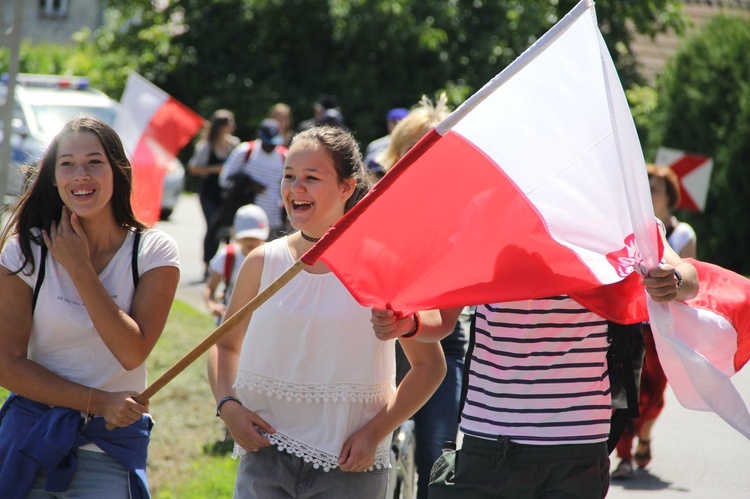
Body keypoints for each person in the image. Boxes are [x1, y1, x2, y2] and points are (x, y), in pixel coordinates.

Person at [207, 125, 446, 498]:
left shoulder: (379, 266)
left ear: (347, 187)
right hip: (265, 458)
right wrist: (228, 407)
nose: (294, 188)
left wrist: (374, 433)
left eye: (311, 178)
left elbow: (430, 367)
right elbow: (224, 346)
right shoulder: (262, 262)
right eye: (289, 176)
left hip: (351, 467)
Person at [371, 233, 698, 498]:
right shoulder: (485, 215)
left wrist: (674, 280)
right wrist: (409, 322)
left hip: (575, 446)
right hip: (488, 442)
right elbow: (443, 318)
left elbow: (687, 275)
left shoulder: (609, 207)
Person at [0, 116, 180, 498]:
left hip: (110, 447)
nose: (81, 175)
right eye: (67, 164)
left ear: (118, 171)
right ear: (53, 177)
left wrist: (80, 268)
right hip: (30, 437)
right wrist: (100, 402)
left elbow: (131, 353)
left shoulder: (154, 251)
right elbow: (6, 363)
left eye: (95, 162)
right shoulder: (24, 250)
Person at [370, 95, 467, 499]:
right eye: (412, 149)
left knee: (437, 454)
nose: (419, 160)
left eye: (431, 150)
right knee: (367, 448)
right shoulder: (370, 209)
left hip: (441, 343)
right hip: (380, 343)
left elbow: (445, 319)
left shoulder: (461, 219)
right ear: (396, 154)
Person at [611, 163, 698, 479]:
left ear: (669, 196)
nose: (648, 193)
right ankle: (623, 455)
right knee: (624, 391)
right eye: (644, 187)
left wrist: (675, 280)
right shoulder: (630, 227)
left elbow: (691, 278)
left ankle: (644, 434)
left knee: (656, 393)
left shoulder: (683, 234)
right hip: (632, 324)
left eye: (655, 188)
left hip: (665, 328)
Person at [188, 109, 241, 278]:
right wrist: (215, 169)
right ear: (221, 126)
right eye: (229, 123)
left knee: (225, 229)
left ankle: (223, 266)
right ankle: (207, 264)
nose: (232, 126)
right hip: (208, 192)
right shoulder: (206, 146)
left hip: (226, 194)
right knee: (212, 226)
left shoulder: (233, 144)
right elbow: (194, 168)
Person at [218, 118, 288, 241]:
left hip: (272, 223)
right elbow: (224, 180)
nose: (270, 146)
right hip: (244, 222)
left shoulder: (285, 157)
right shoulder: (245, 151)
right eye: (268, 143)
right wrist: (248, 186)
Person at [204, 204, 269, 325]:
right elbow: (210, 287)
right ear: (233, 232)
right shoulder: (227, 255)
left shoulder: (272, 256)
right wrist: (212, 305)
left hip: (259, 321)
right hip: (228, 320)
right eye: (246, 237)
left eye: (255, 237)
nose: (250, 241)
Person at [363, 107, 409, 174]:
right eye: (394, 122)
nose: (397, 124)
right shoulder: (375, 145)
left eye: (400, 121)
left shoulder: (412, 144)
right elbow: (367, 170)